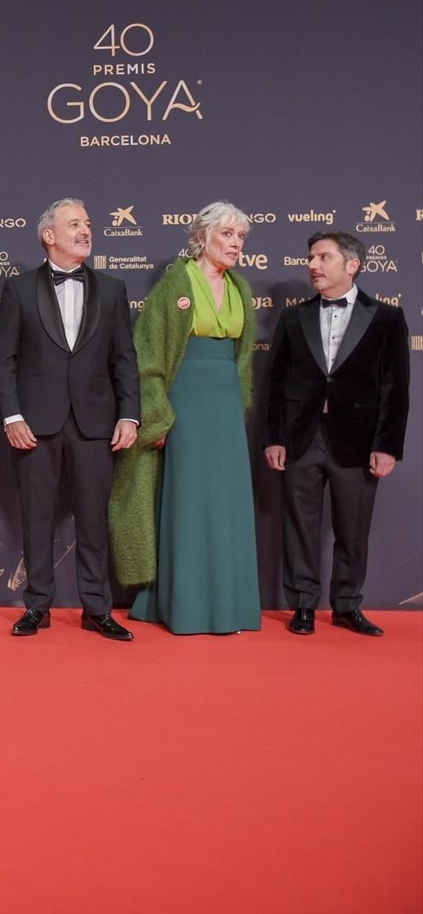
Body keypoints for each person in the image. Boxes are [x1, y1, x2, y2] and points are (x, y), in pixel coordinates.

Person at [110, 202, 261, 634]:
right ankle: (186, 606)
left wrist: (239, 404)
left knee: (225, 505)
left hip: (226, 408)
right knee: (190, 502)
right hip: (186, 406)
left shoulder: (241, 288)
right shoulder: (175, 285)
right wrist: (157, 417)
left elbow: (243, 359)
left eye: (241, 237)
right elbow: (148, 358)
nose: (236, 244)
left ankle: (230, 607)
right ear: (203, 236)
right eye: (228, 234)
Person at [0, 200, 139, 640]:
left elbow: (124, 360)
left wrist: (130, 414)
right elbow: (5, 362)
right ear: (49, 236)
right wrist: (12, 415)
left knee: (94, 518)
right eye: (74, 224)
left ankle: (97, 608)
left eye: (89, 224)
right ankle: (37, 606)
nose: (86, 231)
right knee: (37, 518)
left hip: (96, 422)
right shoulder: (18, 289)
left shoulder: (113, 288)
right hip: (35, 422)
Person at [264, 230, 410, 636]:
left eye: (323, 257)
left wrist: (387, 445)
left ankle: (347, 605)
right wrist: (274, 437)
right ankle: (304, 606)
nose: (312, 265)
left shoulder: (386, 317)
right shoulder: (294, 316)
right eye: (310, 257)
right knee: (299, 528)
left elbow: (396, 388)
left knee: (353, 528)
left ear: (351, 264)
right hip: (301, 437)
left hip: (359, 441)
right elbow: (276, 382)